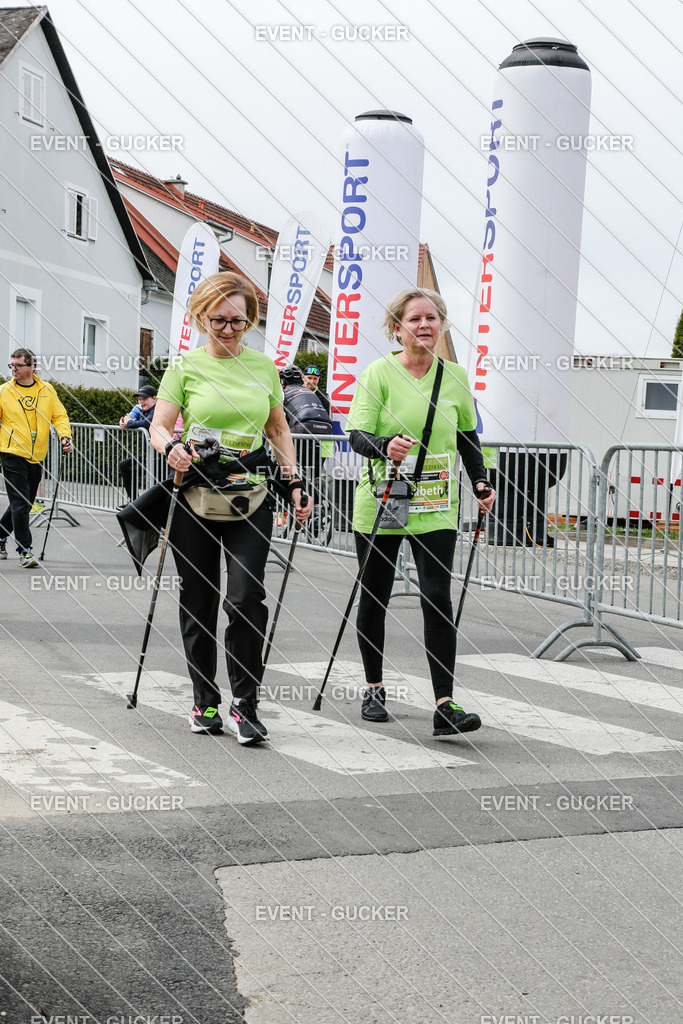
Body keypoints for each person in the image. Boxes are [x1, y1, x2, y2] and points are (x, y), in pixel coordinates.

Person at [149, 272, 310, 743]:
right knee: (198, 601)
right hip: (195, 496)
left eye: (238, 321)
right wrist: (170, 447)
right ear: (202, 317)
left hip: (251, 497)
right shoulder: (184, 366)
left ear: (250, 320)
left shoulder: (264, 367)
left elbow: (278, 429)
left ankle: (245, 704)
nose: (228, 329)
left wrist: (294, 480)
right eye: (219, 320)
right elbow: (159, 425)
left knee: (245, 598)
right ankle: (204, 701)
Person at [346, 287, 496, 736]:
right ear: (398, 328)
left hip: (436, 505)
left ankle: (444, 705)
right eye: (415, 319)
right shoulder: (379, 373)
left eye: (432, 318)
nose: (425, 325)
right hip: (384, 501)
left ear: (442, 325)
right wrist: (383, 445)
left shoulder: (455, 376)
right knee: (376, 595)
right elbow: (356, 435)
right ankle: (374, 688)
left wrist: (481, 481)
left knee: (437, 598)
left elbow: (468, 438)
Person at [0, 348, 73, 567]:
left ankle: (1, 535)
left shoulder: (47, 390)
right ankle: (25, 551)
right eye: (11, 365)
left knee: (22, 503)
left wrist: (65, 437)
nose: (14, 369)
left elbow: (59, 416)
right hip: (12, 453)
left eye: (18, 365)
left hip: (36, 456)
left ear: (32, 367)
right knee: (21, 503)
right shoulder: (4, 391)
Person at [118, 385, 157, 503]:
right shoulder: (142, 410)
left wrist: (130, 423)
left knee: (155, 481)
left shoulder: (157, 409)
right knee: (125, 466)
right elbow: (131, 420)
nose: (141, 402)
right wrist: (124, 422)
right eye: (139, 399)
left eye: (144, 399)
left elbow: (146, 423)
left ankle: (151, 508)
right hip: (148, 454)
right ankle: (134, 502)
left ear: (154, 398)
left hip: (159, 455)